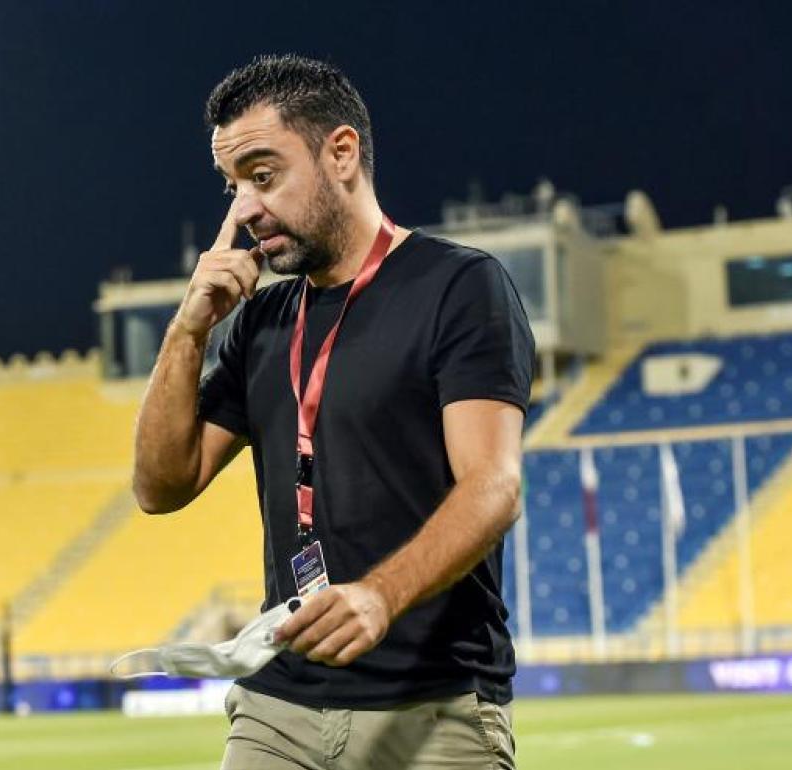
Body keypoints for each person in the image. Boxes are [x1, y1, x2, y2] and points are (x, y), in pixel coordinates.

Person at [133, 54, 533, 769]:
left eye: (263, 175)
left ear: (341, 154)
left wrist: (380, 596)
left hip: (430, 707)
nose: (245, 209)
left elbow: (494, 485)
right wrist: (187, 330)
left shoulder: (460, 287)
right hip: (277, 707)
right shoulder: (262, 322)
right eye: (233, 186)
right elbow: (161, 486)